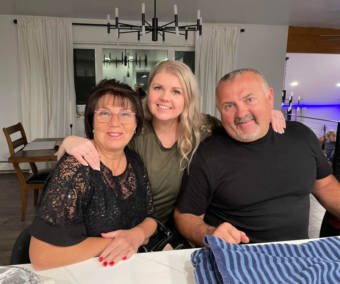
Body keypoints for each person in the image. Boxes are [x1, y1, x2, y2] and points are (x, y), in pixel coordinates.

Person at [58, 61, 286, 246]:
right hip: (134, 230)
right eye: (158, 88)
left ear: (187, 98)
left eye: (176, 91)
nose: (165, 97)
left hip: (186, 230)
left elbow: (240, 129)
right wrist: (69, 141)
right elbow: (99, 149)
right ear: (149, 92)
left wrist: (267, 112)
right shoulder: (135, 129)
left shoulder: (205, 128)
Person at [174, 68, 340, 246]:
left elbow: (326, 187)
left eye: (249, 99)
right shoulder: (207, 154)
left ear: (269, 97)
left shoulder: (302, 137)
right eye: (229, 106)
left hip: (298, 257)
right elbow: (185, 216)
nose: (241, 113)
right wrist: (209, 234)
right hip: (239, 260)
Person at [29, 79, 157, 270]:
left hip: (126, 268)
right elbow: (42, 257)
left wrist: (136, 235)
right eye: (105, 113)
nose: (115, 122)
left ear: (136, 123)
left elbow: (150, 218)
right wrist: (120, 244)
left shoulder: (134, 160)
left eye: (125, 114)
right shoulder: (76, 168)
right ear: (91, 121)